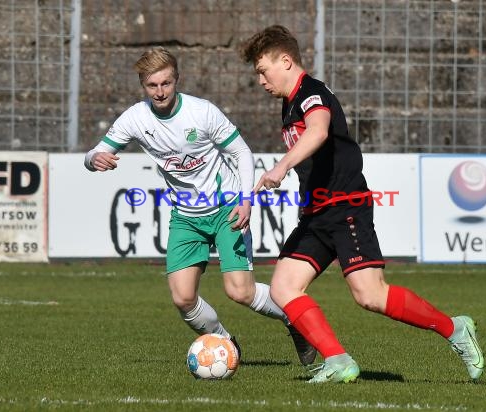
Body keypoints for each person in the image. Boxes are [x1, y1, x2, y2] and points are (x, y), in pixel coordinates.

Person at [239, 25, 484, 383]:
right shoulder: (288, 102)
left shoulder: (311, 93)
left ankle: (455, 329)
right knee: (283, 288)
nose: (260, 80)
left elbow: (319, 130)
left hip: (345, 206)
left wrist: (282, 164)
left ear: (286, 61)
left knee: (370, 296)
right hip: (316, 213)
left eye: (263, 70)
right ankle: (338, 361)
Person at [84, 46, 316, 366]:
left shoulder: (202, 111)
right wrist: (94, 159)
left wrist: (246, 200)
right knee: (182, 298)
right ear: (143, 86)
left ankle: (296, 322)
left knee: (240, 292)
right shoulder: (135, 118)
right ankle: (223, 342)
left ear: (177, 79)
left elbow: (241, 153)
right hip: (186, 217)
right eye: (152, 86)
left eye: (166, 83)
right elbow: (93, 154)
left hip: (226, 207)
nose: (160, 91)